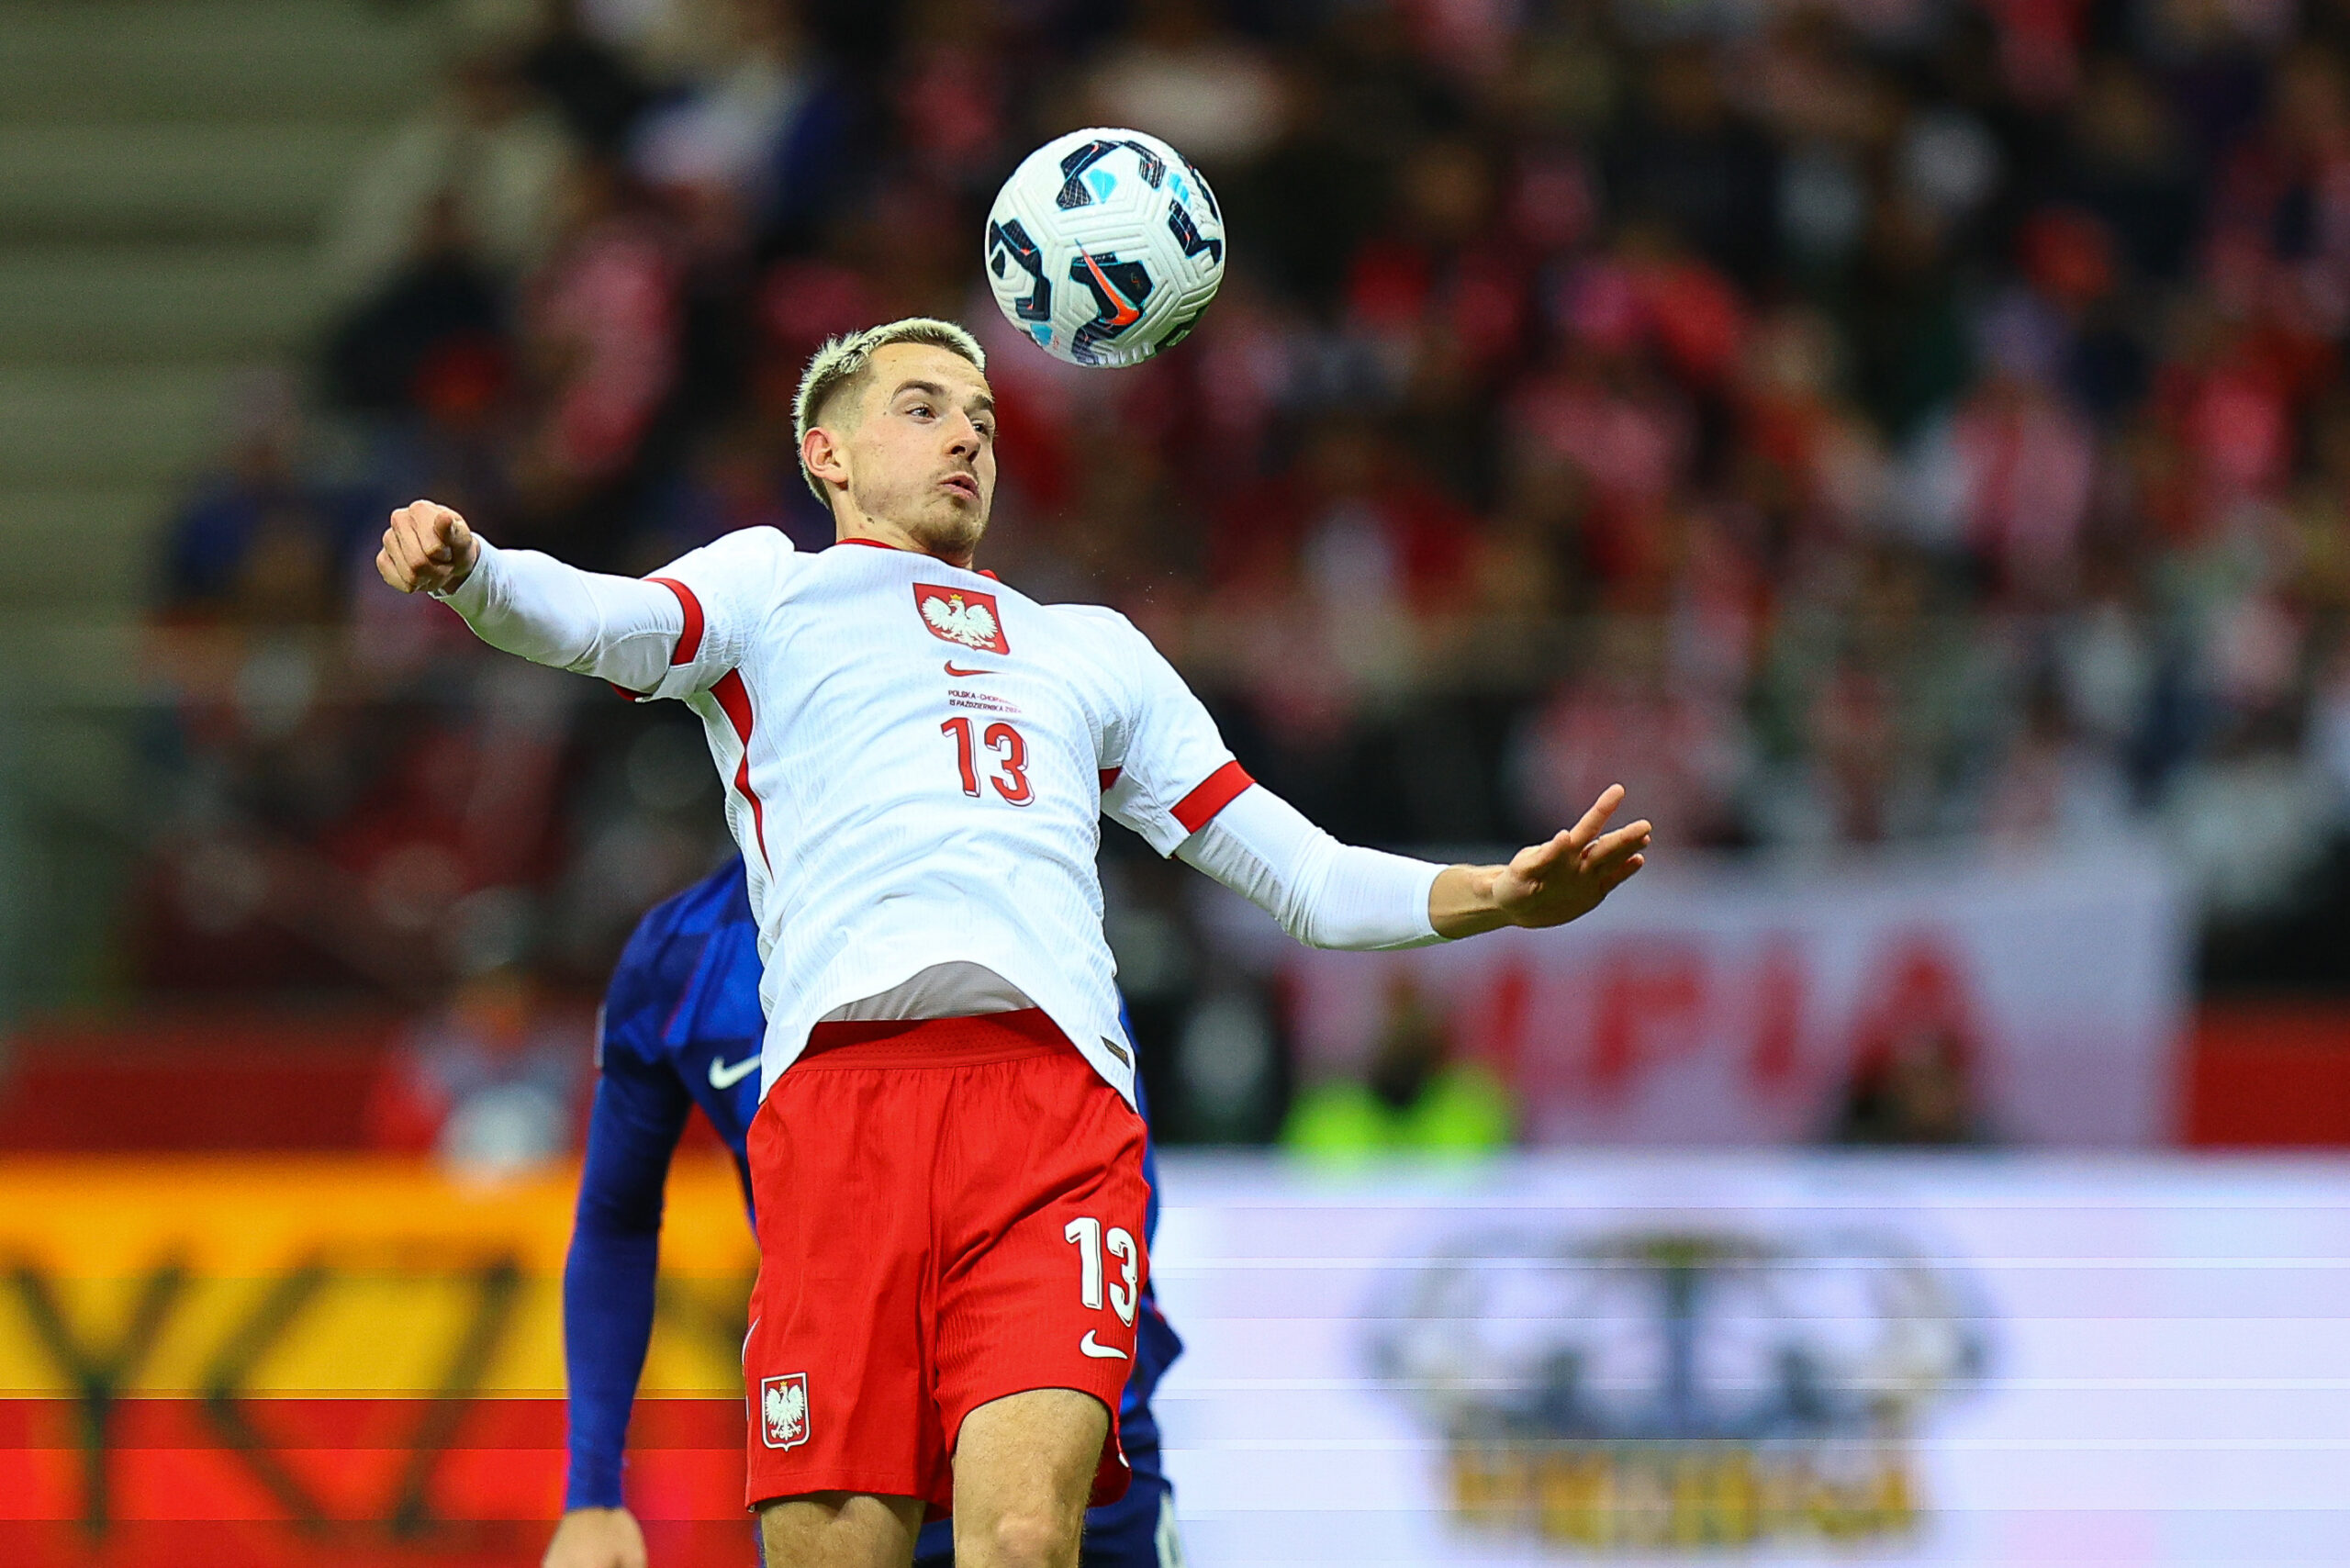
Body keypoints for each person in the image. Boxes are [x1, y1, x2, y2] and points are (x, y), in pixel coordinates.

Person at [376, 315, 1650, 1568]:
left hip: (1052, 1119)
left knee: (1029, 1535)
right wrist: (474, 571)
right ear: (827, 453)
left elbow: (1301, 875)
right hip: (840, 1114)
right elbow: (596, 620)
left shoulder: (1087, 650)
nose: (966, 439)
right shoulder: (768, 589)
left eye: (982, 419)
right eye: (923, 409)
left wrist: (1494, 894)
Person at [544, 855, 1186, 1568]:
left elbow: (1120, 1172)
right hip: (849, 1407)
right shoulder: (681, 960)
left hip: (1059, 1432)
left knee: (1022, 1537)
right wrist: (593, 1496)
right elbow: (616, 1220)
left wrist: (1098, 1380)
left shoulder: (1009, 902)